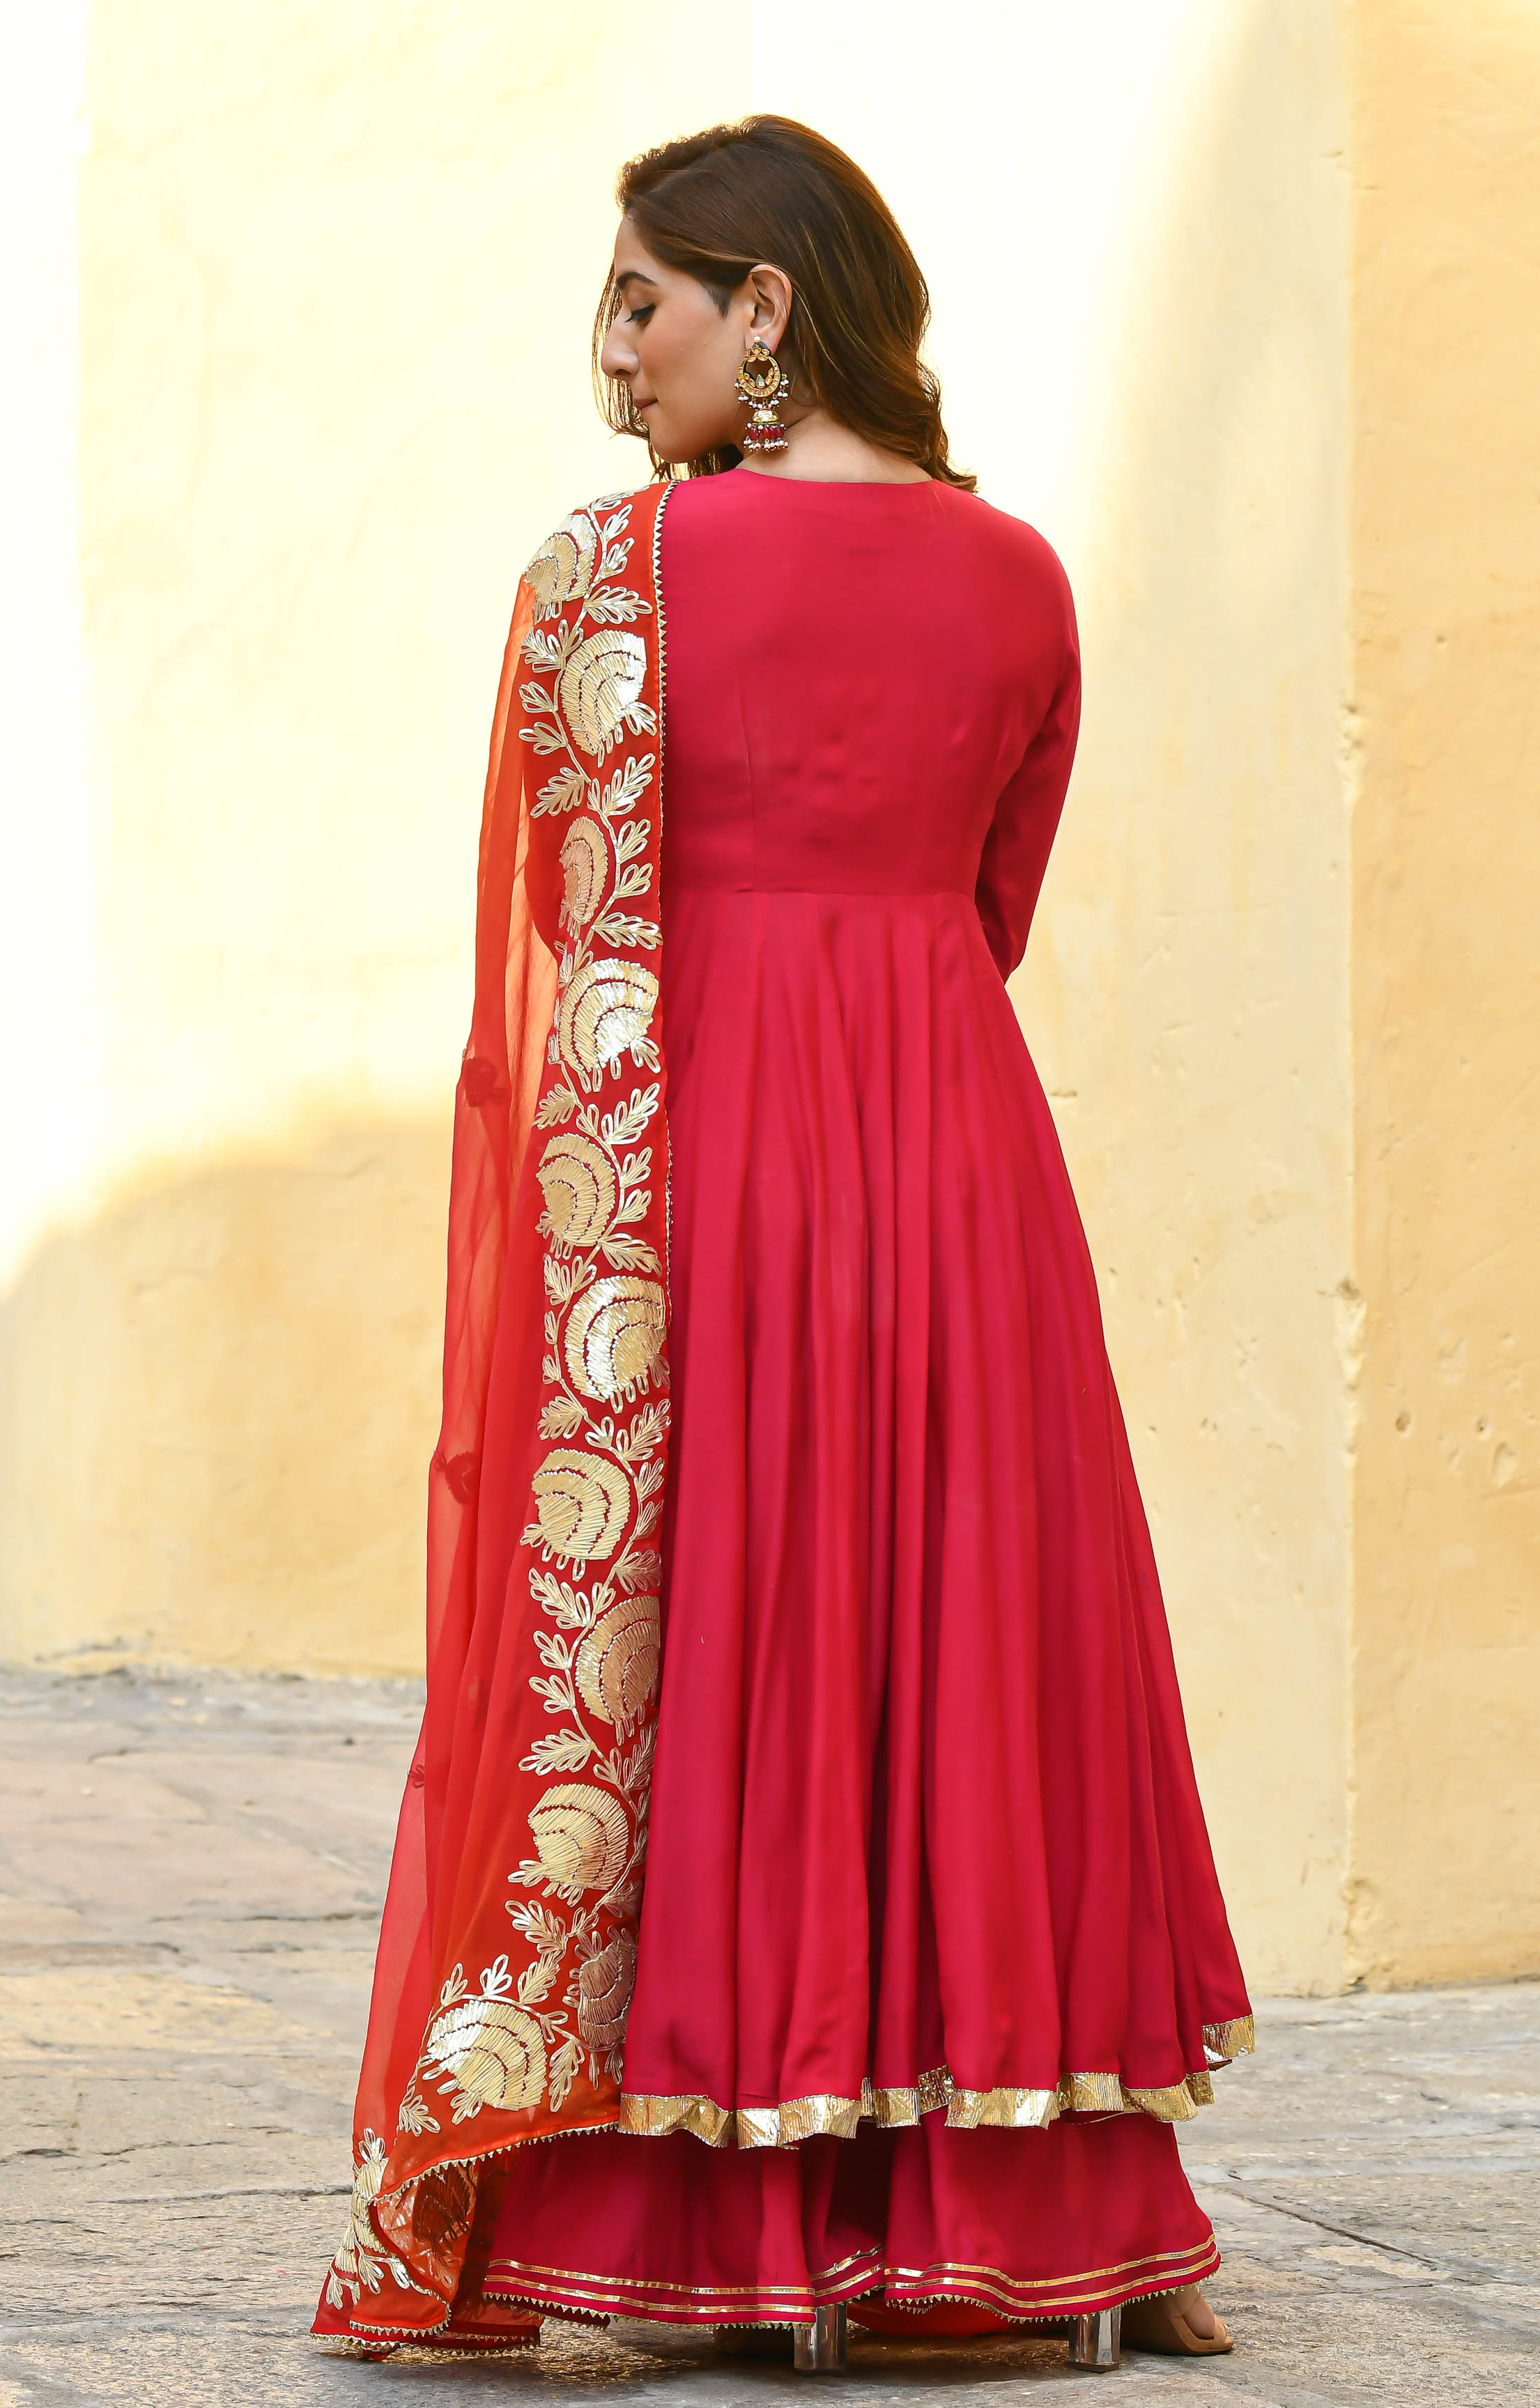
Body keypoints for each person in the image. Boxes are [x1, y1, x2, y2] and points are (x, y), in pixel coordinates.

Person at [312, 115, 1251, 2371]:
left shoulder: (606, 584)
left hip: (696, 1170)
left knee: (718, 1629)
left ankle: (653, 2254)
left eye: (644, 299)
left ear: (770, 308)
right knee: (978, 1643)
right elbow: (994, 901)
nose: (612, 356)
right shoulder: (1021, 576)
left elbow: (555, 922)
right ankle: (1064, 2224)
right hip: (952, 1158)